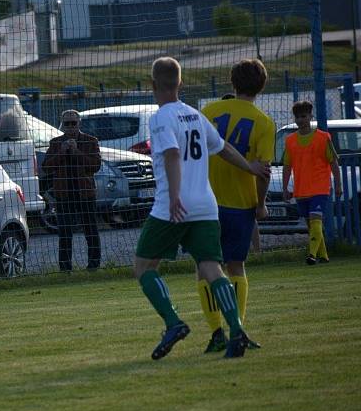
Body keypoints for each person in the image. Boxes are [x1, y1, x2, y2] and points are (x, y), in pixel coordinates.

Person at [134, 57, 271, 360]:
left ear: (152, 84)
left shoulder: (160, 118)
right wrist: (250, 167)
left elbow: (171, 154)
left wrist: (173, 198)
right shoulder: (194, 115)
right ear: (180, 83)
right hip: (207, 205)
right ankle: (236, 330)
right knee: (212, 268)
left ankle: (173, 322)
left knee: (144, 266)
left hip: (175, 204)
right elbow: (222, 147)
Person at [196, 59, 275, 353]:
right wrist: (260, 204)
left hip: (204, 202)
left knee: (204, 267)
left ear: (232, 82)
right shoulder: (264, 122)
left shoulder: (208, 112)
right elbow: (263, 171)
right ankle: (237, 328)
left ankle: (216, 332)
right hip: (239, 204)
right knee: (236, 266)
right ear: (262, 85)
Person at [282, 101, 342, 265]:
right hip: (301, 189)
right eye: (297, 117)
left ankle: (311, 255)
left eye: (303, 116)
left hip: (320, 187)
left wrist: (338, 184)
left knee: (316, 220)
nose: (300, 120)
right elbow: (287, 166)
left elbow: (333, 163)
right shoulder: (290, 140)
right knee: (312, 225)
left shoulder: (323, 137)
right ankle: (324, 256)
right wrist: (285, 187)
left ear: (310, 116)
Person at [41, 109, 102, 272]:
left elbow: (95, 166)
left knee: (90, 230)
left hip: (85, 193)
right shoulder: (55, 143)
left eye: (73, 123)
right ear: (62, 125)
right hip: (64, 194)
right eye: (66, 124)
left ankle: (94, 265)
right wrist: (61, 152)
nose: (70, 127)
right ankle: (65, 268)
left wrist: (76, 151)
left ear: (79, 124)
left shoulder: (90, 141)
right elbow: (46, 167)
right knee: (65, 233)